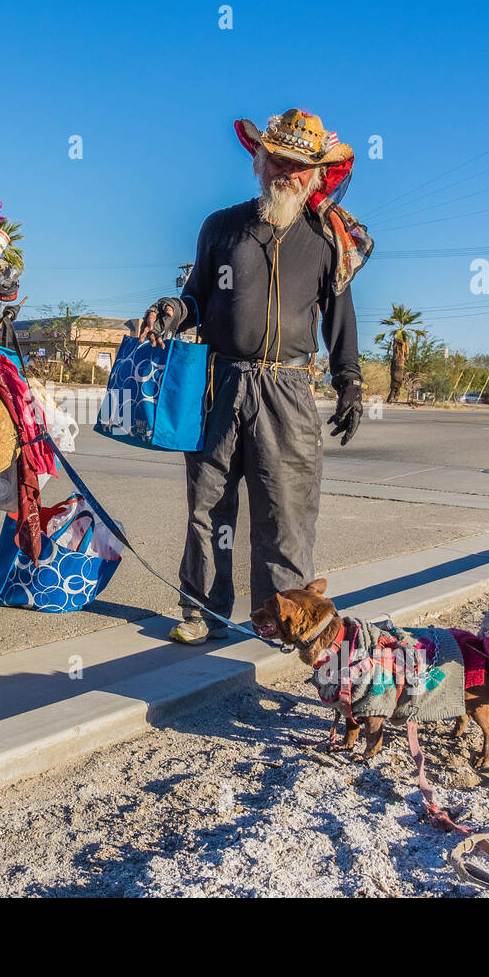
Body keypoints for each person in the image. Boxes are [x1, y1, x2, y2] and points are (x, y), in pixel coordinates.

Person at [139, 108, 372, 644]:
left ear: (316, 175)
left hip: (288, 392)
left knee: (285, 512)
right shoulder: (221, 227)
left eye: (298, 165)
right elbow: (195, 297)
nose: (285, 172)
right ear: (258, 161)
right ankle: (204, 614)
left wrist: (350, 381)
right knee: (208, 505)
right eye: (277, 160)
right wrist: (172, 313)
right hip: (220, 384)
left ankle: (285, 622)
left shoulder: (326, 238)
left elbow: (340, 317)